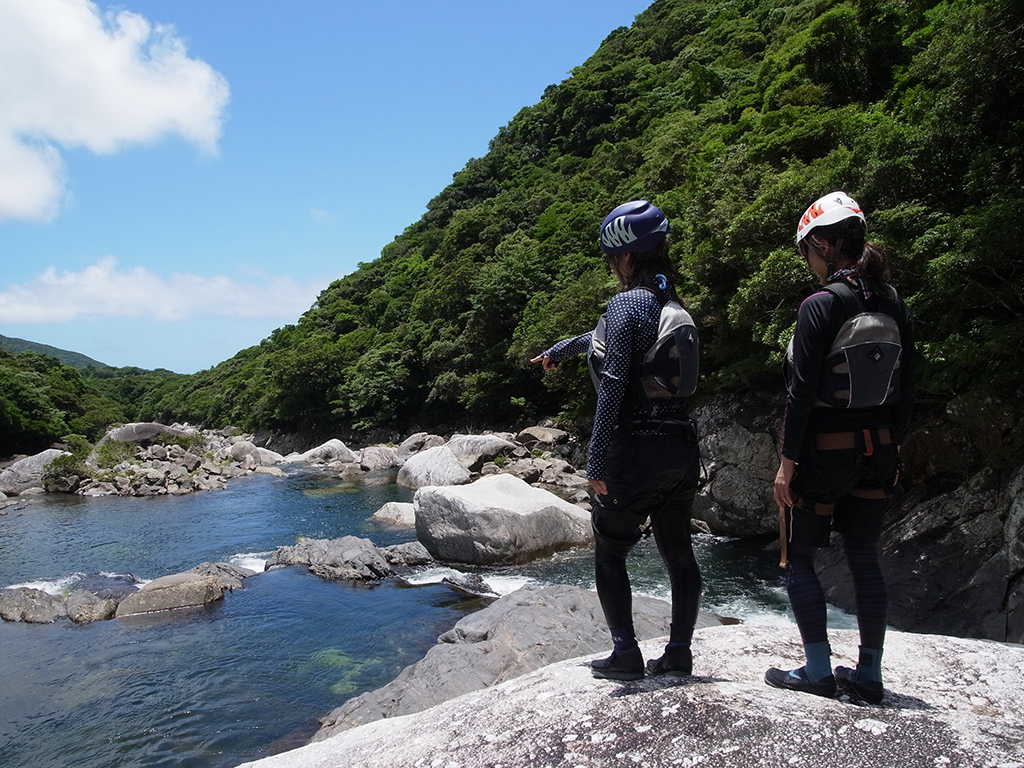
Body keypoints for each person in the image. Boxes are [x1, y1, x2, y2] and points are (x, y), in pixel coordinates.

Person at [531, 200, 702, 681]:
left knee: (609, 550)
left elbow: (613, 385)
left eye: (612, 258)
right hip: (680, 447)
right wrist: (561, 350)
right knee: (679, 553)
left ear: (625, 254)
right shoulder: (669, 302)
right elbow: (611, 336)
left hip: (637, 451)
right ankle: (679, 652)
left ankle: (626, 653)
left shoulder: (628, 302)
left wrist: (596, 462)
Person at [766, 192, 915, 703]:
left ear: (826, 246)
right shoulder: (892, 300)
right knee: (865, 557)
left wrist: (787, 466)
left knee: (800, 559)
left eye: (808, 250)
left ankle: (817, 671)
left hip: (824, 454)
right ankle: (869, 675)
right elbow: (907, 389)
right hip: (880, 450)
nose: (807, 262)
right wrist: (895, 451)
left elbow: (800, 393)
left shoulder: (821, 305)